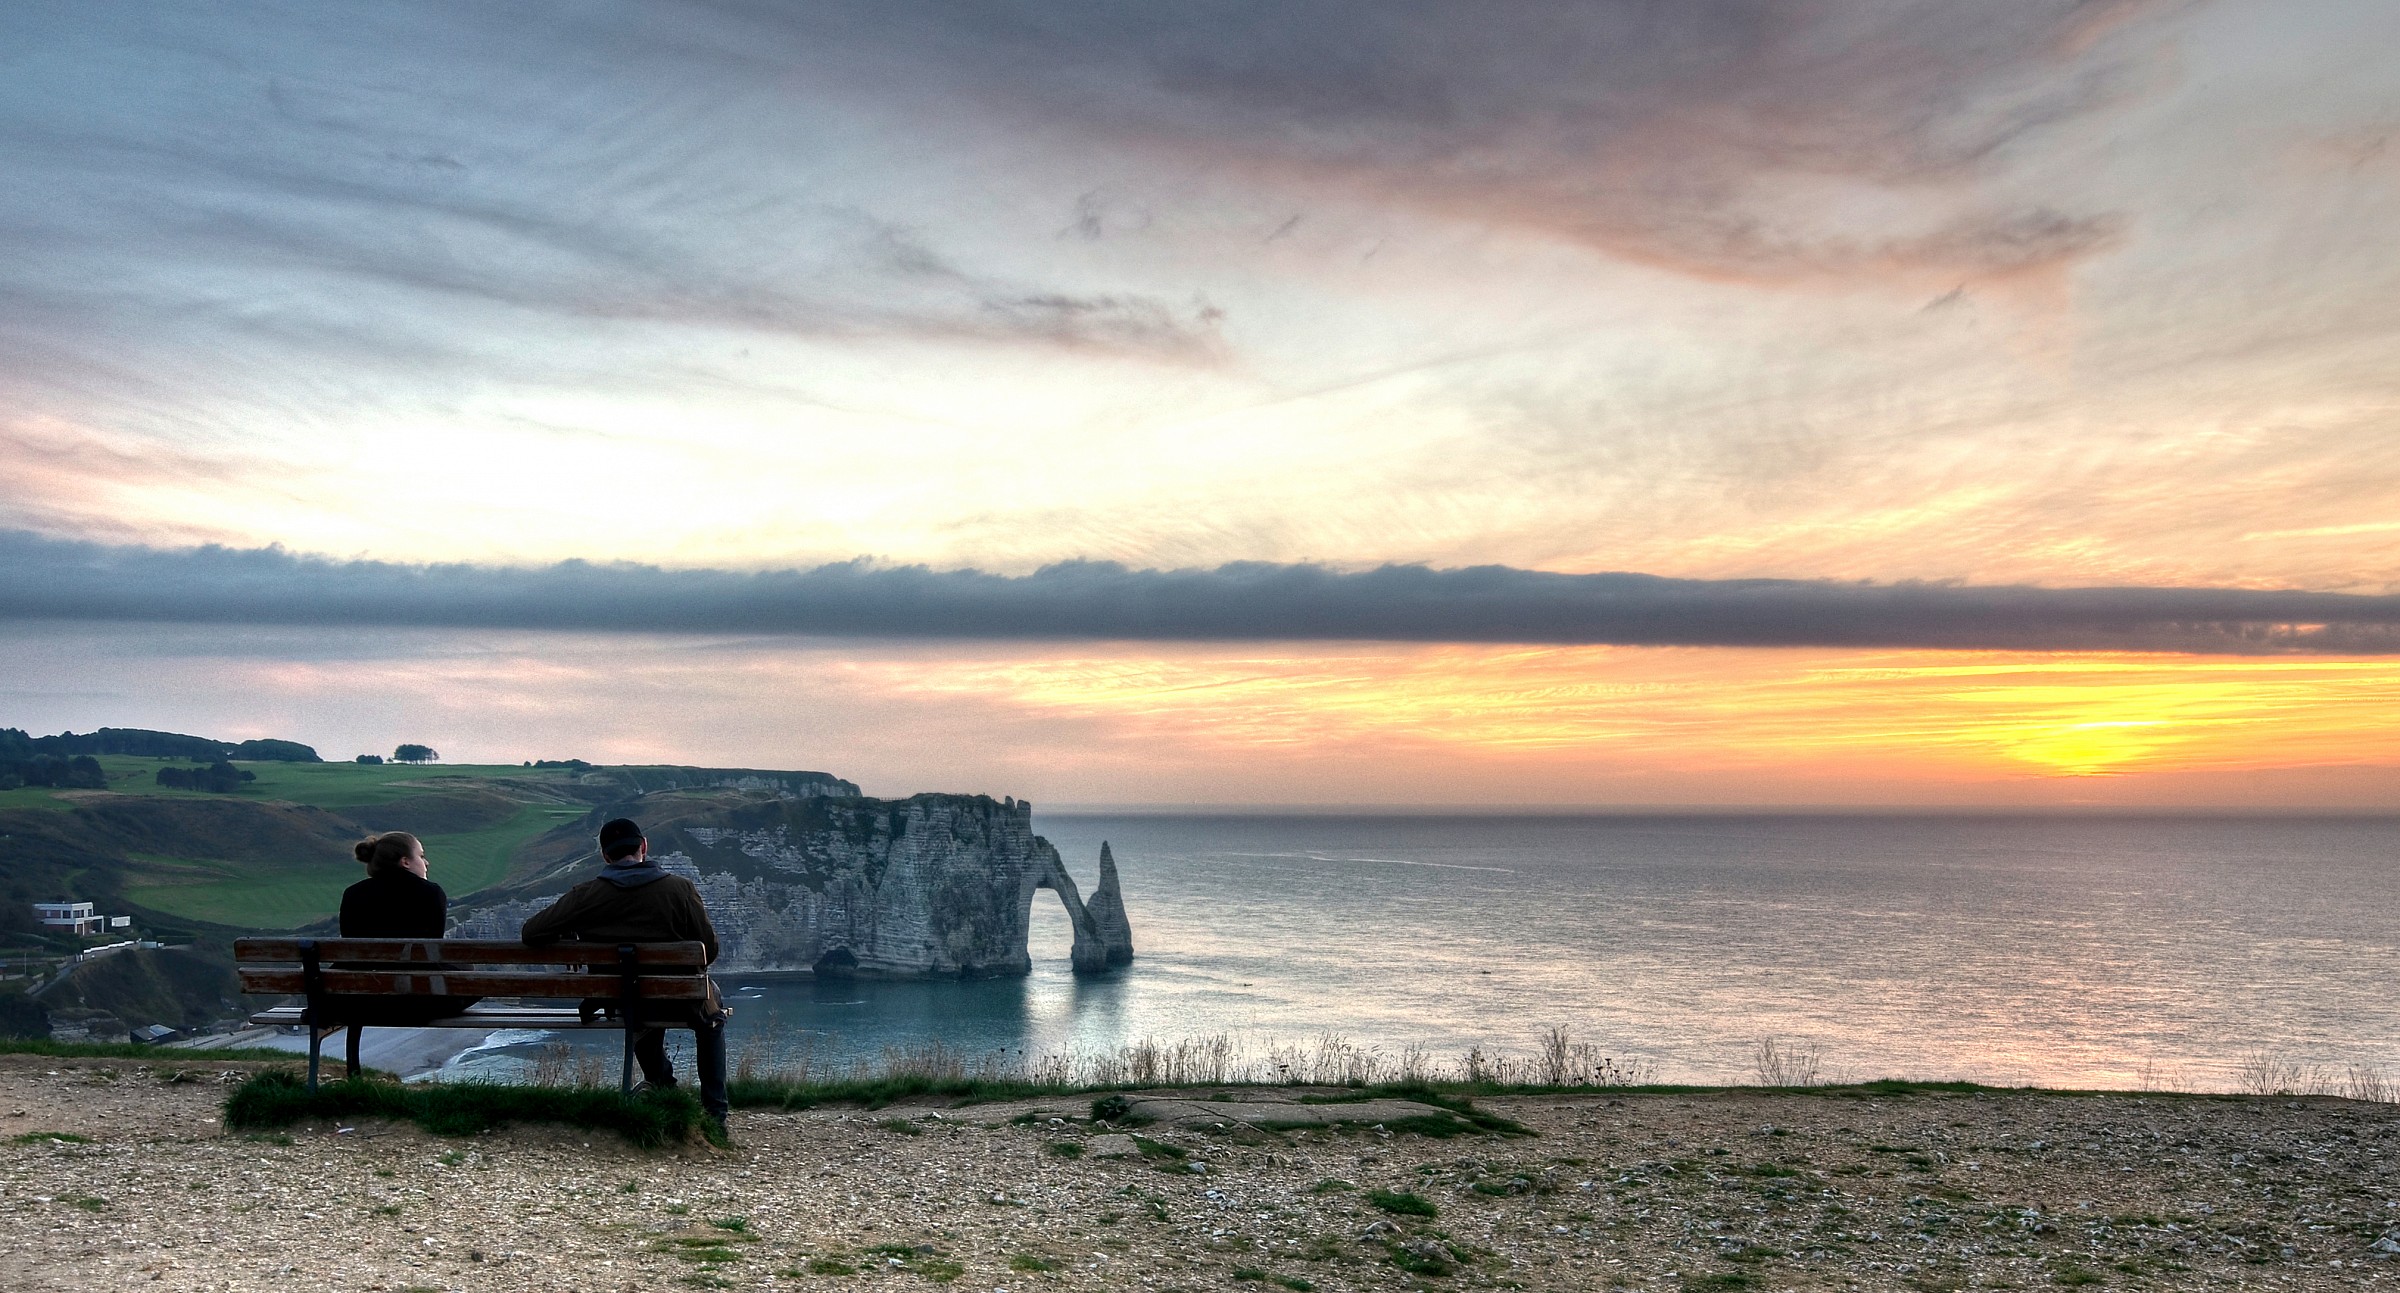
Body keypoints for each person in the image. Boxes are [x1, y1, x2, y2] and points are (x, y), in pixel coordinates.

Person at [520, 818, 729, 1127]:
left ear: (605, 856)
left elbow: (531, 932)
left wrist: (571, 940)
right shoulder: (680, 889)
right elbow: (708, 951)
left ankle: (661, 1083)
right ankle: (715, 1114)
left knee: (636, 996)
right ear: (643, 846)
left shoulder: (586, 895)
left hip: (621, 999)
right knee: (712, 1012)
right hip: (678, 998)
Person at [336, 831, 479, 1076]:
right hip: (417, 1000)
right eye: (421, 856)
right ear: (405, 861)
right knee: (470, 975)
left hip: (361, 1000)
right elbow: (431, 951)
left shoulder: (353, 894)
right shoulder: (430, 893)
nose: (426, 862)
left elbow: (351, 951)